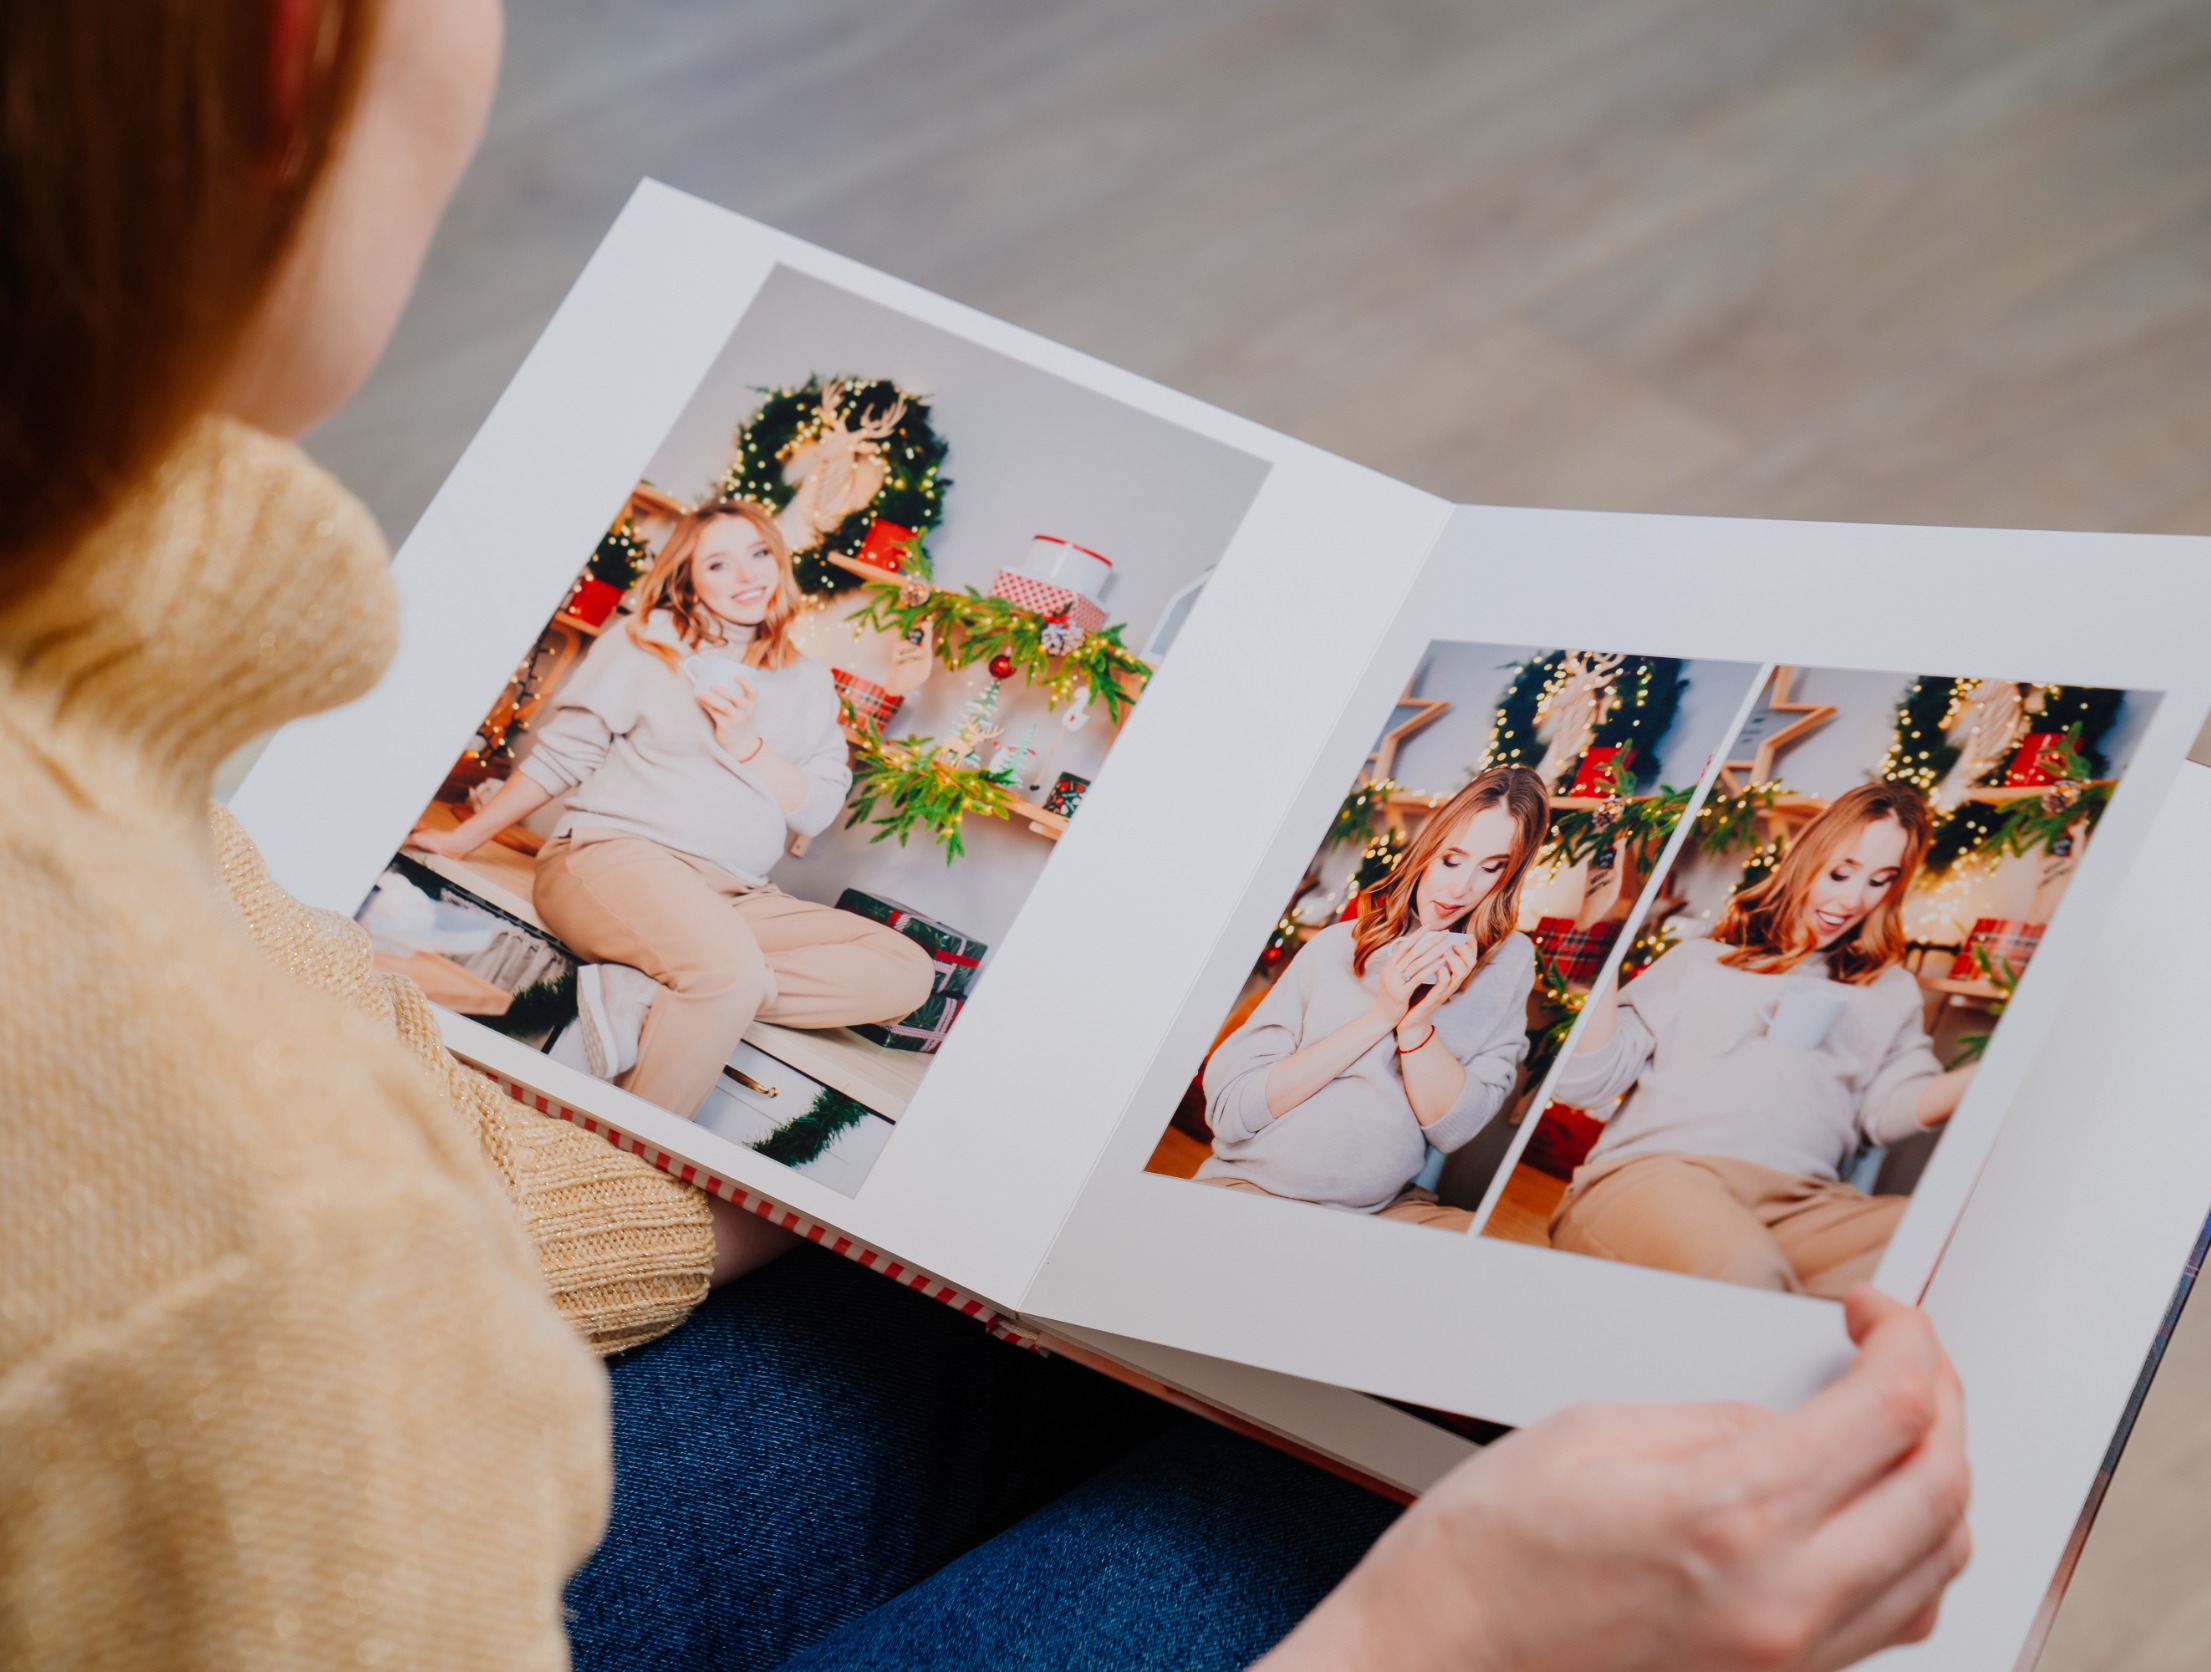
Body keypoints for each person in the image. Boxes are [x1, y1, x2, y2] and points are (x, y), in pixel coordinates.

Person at [0, 1, 1970, 1667]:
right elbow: (230, 1250)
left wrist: (702, 1183)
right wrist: (1431, 1638)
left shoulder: (144, 886)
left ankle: (614, 1052)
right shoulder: (232, 1229)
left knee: (910, 1082)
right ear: (293, 60)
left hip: (500, 1109)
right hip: (564, 986)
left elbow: (806, 815)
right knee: (1345, 1476)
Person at [407, 496, 934, 1114]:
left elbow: (814, 811)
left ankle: (652, 990)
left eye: (759, 553)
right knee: (726, 973)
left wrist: (745, 743)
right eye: (719, 564)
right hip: (614, 858)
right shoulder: (646, 641)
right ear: (688, 577)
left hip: (738, 894)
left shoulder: (809, 683)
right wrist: (461, 839)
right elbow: (562, 758)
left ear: (779, 561)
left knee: (905, 971)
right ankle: (623, 1169)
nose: (747, 576)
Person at [1549, 781, 1976, 1295]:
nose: (1851, 900)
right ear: (1806, 858)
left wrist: (1992, 1075)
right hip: (1658, 1176)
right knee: (1745, 1274)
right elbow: (1581, 1082)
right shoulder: (1700, 963)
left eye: (1879, 882)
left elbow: (1891, 1110)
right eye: (1840, 873)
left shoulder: (1889, 992)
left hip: (1804, 1204)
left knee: (1950, 1250)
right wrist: (1607, 953)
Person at [1195, 767, 1544, 1227]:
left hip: (1384, 1208)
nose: (1460, 890)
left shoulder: (1509, 963)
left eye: (1492, 867)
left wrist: (1417, 1027)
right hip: (1255, 1184)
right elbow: (1230, 1111)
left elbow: (1454, 1131)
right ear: (1427, 851)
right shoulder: (1338, 945)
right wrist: (1383, 1015)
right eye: (1451, 860)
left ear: (1512, 873)